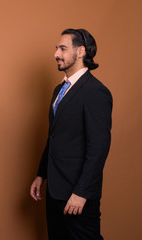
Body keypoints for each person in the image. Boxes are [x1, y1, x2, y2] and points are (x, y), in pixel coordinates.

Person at [30, 28, 112, 239]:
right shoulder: (59, 90)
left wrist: (81, 193)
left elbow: (98, 148)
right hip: (54, 191)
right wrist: (41, 174)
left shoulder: (96, 92)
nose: (56, 54)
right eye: (57, 48)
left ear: (81, 51)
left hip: (78, 194)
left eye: (63, 48)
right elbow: (54, 136)